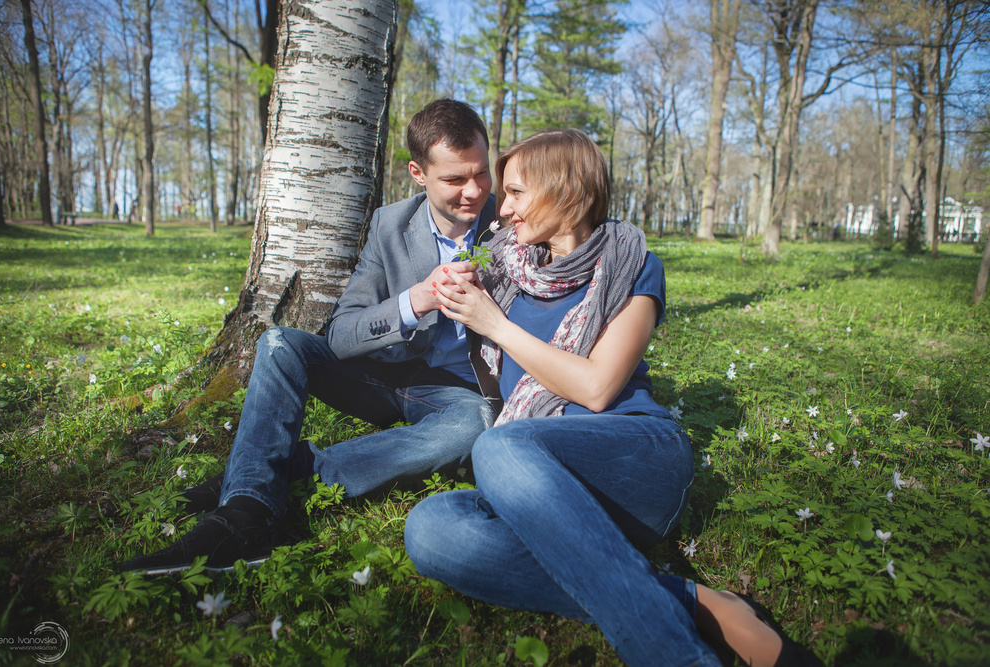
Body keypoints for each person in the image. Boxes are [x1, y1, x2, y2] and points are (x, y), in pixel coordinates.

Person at [403, 129, 820, 667]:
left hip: (634, 458)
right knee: (432, 530)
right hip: (550, 493)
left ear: (569, 190)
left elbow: (598, 388)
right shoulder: (505, 273)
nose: (501, 210)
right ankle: (699, 604)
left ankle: (675, 655)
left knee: (500, 448)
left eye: (516, 193)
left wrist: (497, 327)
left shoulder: (631, 265)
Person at [122, 99, 500, 575]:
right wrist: (413, 302)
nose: (474, 191)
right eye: (455, 179)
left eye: (481, 173)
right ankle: (246, 517)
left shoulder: (511, 224)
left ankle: (273, 475)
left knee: (470, 429)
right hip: (384, 375)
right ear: (418, 174)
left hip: (461, 394)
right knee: (280, 344)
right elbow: (342, 334)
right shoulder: (390, 224)